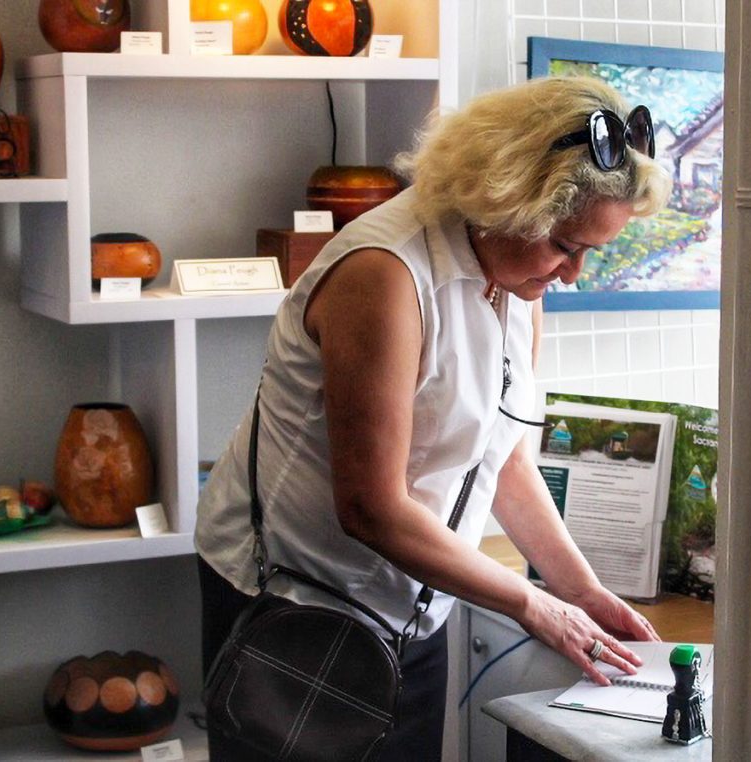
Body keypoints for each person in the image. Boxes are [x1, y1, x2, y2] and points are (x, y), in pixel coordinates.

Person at [196, 75, 673, 760]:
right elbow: (371, 506)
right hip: (295, 601)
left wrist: (580, 588)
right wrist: (532, 603)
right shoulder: (383, 273)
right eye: (567, 246)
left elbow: (502, 454)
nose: (573, 275)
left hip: (415, 604)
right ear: (512, 201)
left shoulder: (516, 279)